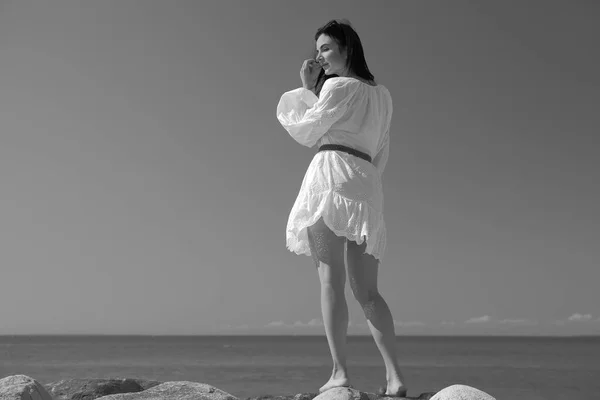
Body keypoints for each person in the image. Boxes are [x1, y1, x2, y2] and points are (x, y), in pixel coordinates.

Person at [276, 20, 408, 397]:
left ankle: (340, 374)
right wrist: (365, 180)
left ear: (348, 49)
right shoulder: (383, 95)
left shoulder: (335, 86)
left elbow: (307, 130)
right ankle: (394, 377)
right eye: (317, 50)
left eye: (326, 49)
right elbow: (382, 150)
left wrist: (307, 89)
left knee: (330, 281)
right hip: (367, 184)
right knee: (369, 291)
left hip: (330, 177)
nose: (319, 56)